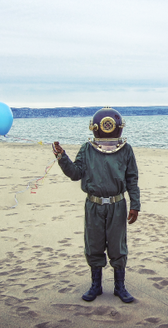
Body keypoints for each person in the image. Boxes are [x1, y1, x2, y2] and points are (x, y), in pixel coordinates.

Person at [52, 107, 140, 303]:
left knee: (118, 245)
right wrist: (62, 157)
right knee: (94, 244)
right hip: (94, 205)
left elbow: (132, 179)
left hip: (117, 205)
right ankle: (96, 285)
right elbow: (75, 174)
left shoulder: (126, 150)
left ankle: (120, 287)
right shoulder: (87, 149)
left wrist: (135, 204)